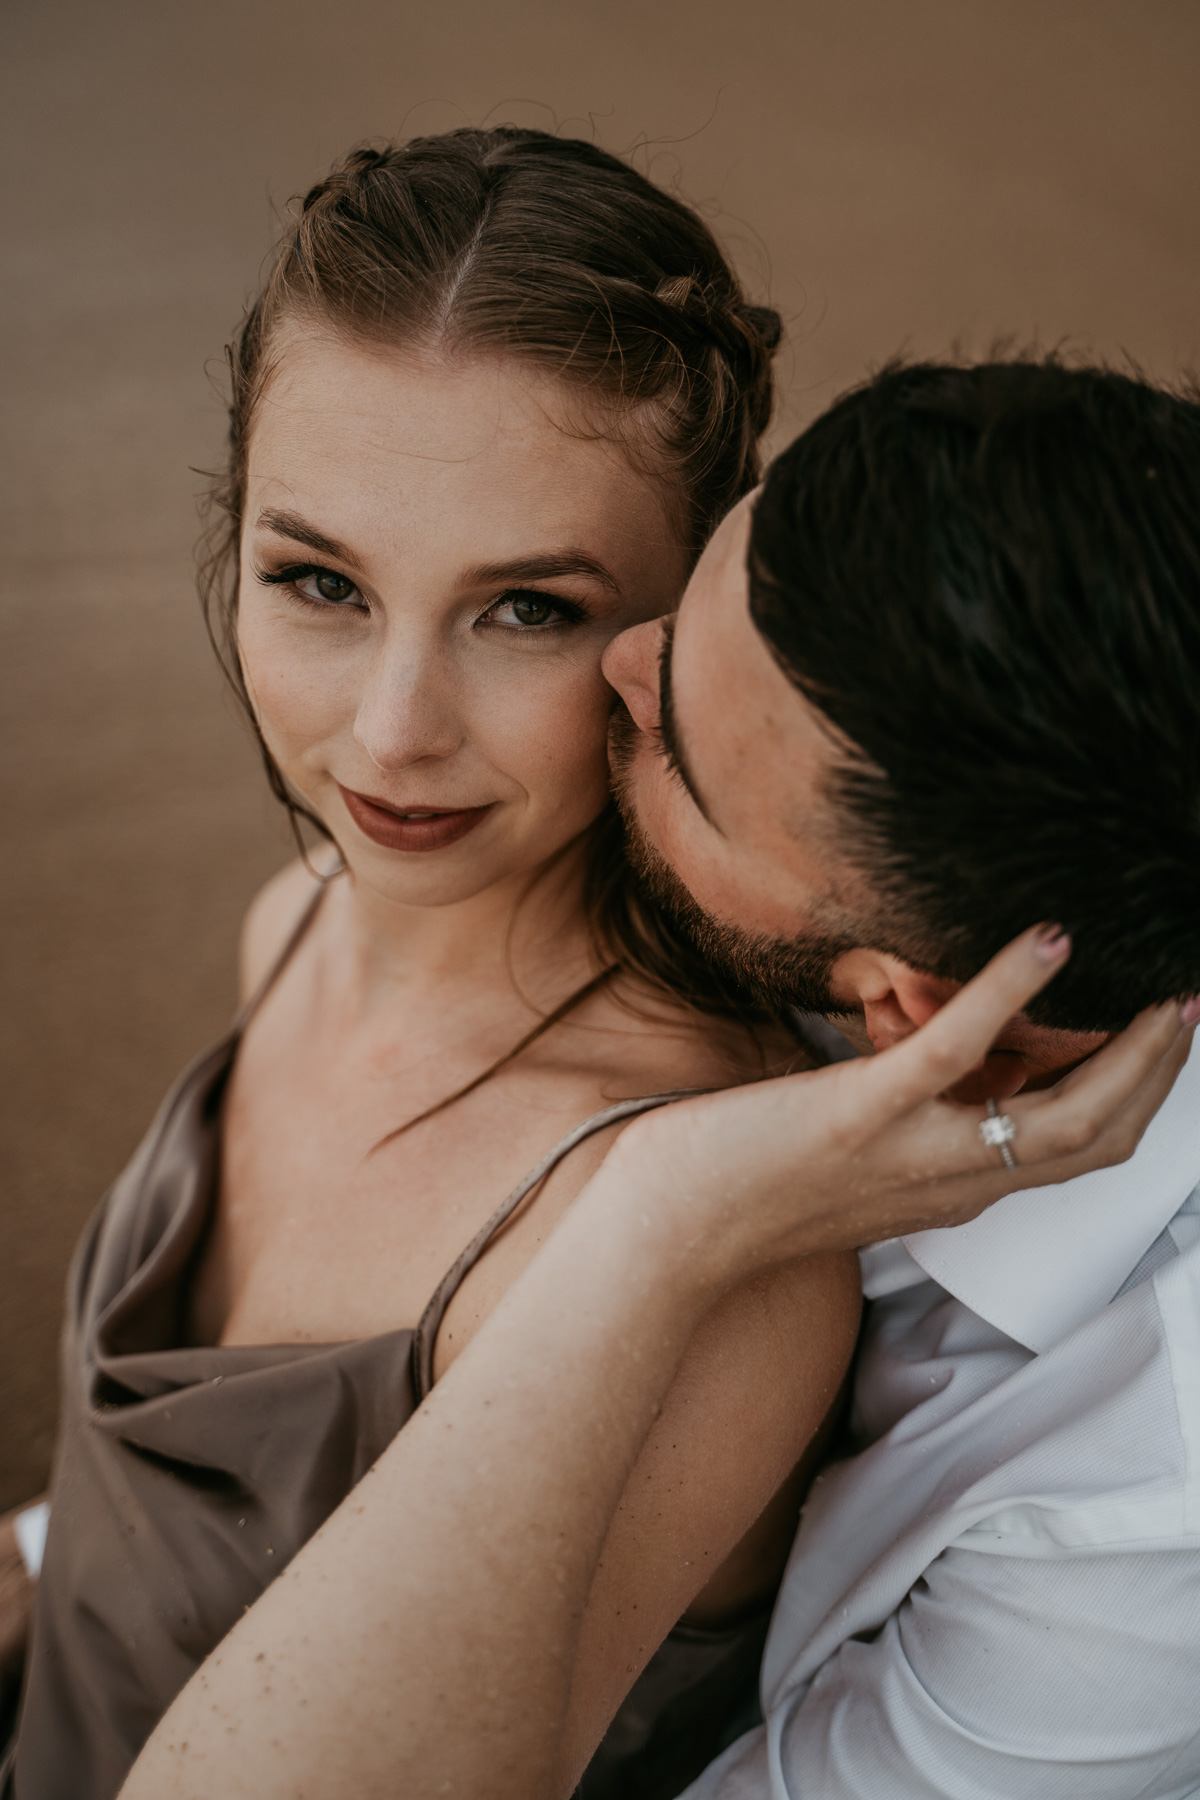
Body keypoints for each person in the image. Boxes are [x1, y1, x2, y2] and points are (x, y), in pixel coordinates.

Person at [111, 356, 1200, 1800]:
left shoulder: (1139, 1535)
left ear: (916, 1012)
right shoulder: (948, 649)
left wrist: (662, 1221)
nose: (626, 664)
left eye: (678, 742)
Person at [2, 126, 870, 1800]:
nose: (391, 740)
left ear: (681, 627)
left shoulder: (704, 1250)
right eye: (318, 580)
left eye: (525, 609)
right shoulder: (309, 912)